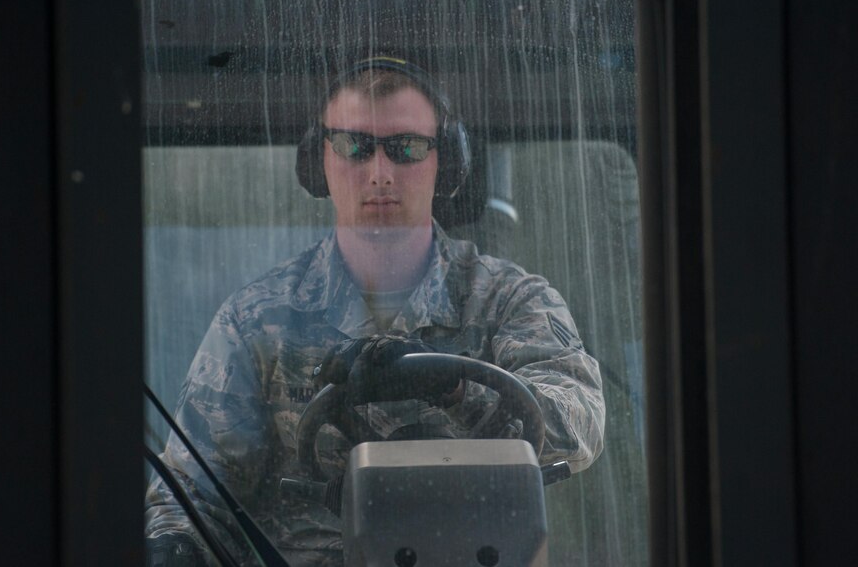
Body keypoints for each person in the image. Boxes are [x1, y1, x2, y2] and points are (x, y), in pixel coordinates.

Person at [145, 57, 605, 567]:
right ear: (318, 160)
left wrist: (453, 386)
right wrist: (174, 548)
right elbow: (193, 492)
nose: (380, 174)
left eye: (407, 148)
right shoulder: (258, 320)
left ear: (446, 162)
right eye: (353, 147)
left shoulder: (509, 300)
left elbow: (578, 427)